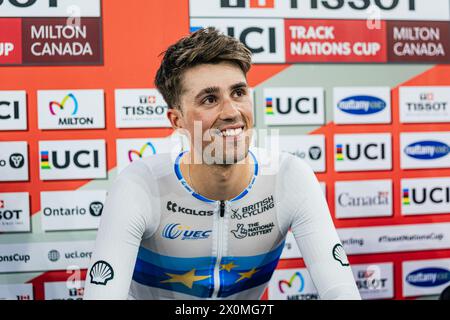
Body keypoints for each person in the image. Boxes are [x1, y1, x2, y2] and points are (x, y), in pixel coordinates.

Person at [83, 27, 361, 300]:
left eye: (238, 93)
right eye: (210, 99)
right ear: (176, 121)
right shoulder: (139, 184)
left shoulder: (289, 177)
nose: (231, 112)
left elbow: (341, 291)